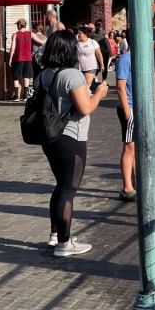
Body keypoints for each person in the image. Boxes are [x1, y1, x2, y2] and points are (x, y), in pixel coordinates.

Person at [37, 30, 109, 256]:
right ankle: (64, 244)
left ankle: (55, 235)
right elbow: (85, 107)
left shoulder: (44, 75)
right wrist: (99, 93)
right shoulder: (72, 75)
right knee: (69, 189)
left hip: (50, 137)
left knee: (60, 186)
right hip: (71, 136)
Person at [114, 40, 136, 202]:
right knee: (129, 147)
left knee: (135, 147)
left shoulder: (139, 58)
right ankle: (127, 186)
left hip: (138, 107)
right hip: (129, 107)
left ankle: (134, 182)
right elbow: (120, 86)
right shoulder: (125, 59)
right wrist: (127, 110)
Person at [9, 19, 44, 101]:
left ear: (19, 25)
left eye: (17, 24)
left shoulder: (15, 35)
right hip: (28, 58)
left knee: (16, 77)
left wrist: (10, 58)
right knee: (26, 76)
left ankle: (17, 96)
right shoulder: (31, 34)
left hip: (18, 58)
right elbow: (41, 42)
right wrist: (47, 39)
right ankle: (25, 95)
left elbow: (13, 48)